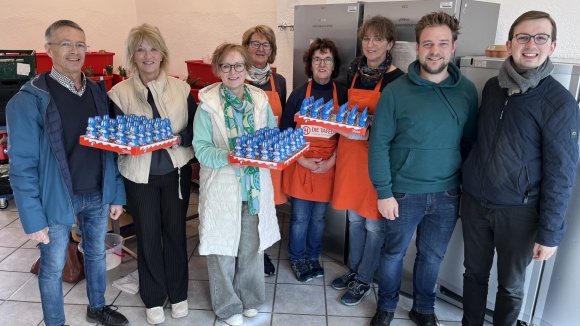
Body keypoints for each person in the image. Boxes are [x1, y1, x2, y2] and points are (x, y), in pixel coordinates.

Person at [460, 11, 580, 326]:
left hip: (520, 212)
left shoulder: (559, 103)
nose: (530, 44)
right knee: (473, 274)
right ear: (511, 43)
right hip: (475, 201)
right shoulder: (492, 87)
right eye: (523, 37)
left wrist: (550, 233)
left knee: (510, 287)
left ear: (552, 46)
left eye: (540, 37)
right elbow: (475, 141)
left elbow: (562, 174)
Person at [6, 20, 128, 326]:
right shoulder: (28, 100)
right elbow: (21, 166)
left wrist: (115, 193)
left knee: (97, 254)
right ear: (48, 49)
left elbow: (108, 147)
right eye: (65, 44)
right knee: (53, 263)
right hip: (57, 198)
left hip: (98, 193)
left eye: (80, 44)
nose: (74, 51)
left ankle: (97, 307)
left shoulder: (98, 93)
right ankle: (55, 322)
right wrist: (32, 218)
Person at [368, 11, 478, 326]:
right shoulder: (396, 92)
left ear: (453, 46)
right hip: (402, 192)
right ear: (417, 48)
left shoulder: (467, 91)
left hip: (446, 194)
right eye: (428, 43)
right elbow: (378, 144)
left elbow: (470, 142)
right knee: (392, 255)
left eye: (442, 43)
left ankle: (423, 308)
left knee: (432, 258)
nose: (435, 50)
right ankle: (387, 306)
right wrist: (384, 192)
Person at [107, 24, 195, 325]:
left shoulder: (181, 89)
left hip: (176, 173)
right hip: (138, 176)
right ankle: (154, 297)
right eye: (141, 49)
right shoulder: (118, 94)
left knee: (174, 234)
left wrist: (180, 139)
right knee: (147, 235)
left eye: (153, 48)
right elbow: (115, 140)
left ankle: (179, 293)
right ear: (132, 55)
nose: (148, 55)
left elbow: (196, 130)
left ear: (163, 53)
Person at [193, 43, 281, 326]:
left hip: (253, 189)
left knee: (251, 249)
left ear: (247, 68)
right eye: (226, 66)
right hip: (222, 189)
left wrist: (272, 149)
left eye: (239, 65)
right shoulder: (208, 106)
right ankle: (228, 306)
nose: (233, 72)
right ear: (217, 70)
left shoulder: (259, 100)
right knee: (222, 250)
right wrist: (231, 157)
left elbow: (271, 135)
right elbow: (201, 149)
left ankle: (251, 299)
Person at [331, 15, 404, 306]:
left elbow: (399, 125)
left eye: (377, 39)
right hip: (350, 157)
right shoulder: (354, 72)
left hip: (376, 160)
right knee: (354, 219)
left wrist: (370, 129)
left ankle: (364, 278)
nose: (370, 44)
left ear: (390, 44)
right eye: (366, 38)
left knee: (374, 225)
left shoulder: (398, 79)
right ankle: (353, 269)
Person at [279, 38, 348, 282]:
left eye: (327, 59)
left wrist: (331, 161)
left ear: (333, 64)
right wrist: (303, 161)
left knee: (319, 219)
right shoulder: (298, 94)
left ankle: (312, 257)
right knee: (299, 218)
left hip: (329, 164)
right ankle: (297, 258)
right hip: (302, 163)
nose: (322, 63)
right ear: (310, 64)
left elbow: (347, 135)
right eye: (317, 58)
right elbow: (286, 133)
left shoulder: (342, 93)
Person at [242, 25, 287, 277]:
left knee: (266, 205)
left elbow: (282, 119)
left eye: (265, 44)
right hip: (245, 154)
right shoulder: (238, 76)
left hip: (269, 155)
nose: (260, 49)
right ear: (246, 48)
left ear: (272, 50)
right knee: (248, 205)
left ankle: (263, 251)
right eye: (255, 43)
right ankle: (249, 252)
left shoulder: (278, 81)